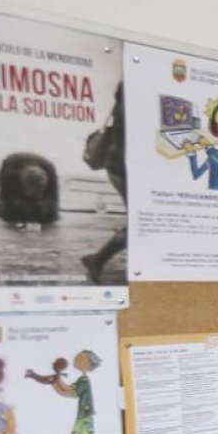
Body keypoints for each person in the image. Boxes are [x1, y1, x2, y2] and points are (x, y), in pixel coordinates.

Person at [82, 82, 127, 283]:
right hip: (123, 168)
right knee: (142, 224)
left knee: (143, 223)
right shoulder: (131, 106)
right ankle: (97, 260)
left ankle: (97, 260)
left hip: (118, 166)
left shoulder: (124, 103)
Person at [26, 350, 101, 434]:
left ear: (86, 364)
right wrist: (56, 380)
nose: (75, 359)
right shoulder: (82, 380)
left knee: (83, 432)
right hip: (83, 412)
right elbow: (67, 389)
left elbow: (70, 392)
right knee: (82, 432)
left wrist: (55, 381)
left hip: (85, 413)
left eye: (80, 358)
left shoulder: (84, 381)